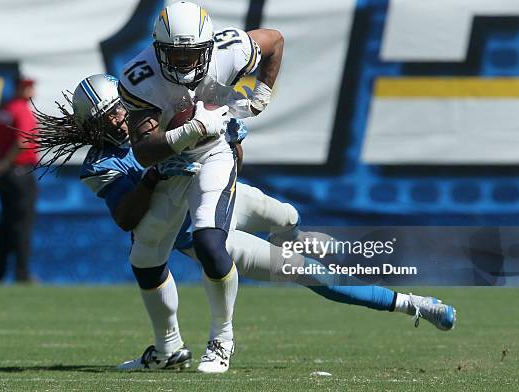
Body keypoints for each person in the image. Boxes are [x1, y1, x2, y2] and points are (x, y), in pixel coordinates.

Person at [27, 73, 457, 372]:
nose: (121, 120)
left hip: (223, 200)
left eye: (120, 110)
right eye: (109, 117)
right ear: (94, 126)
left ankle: (295, 237)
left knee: (288, 214)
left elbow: (230, 160)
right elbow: (127, 217)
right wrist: (157, 173)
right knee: (316, 279)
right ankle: (415, 304)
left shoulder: (161, 111)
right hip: (197, 235)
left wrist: (225, 141)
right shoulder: (101, 164)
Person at [117, 1, 285, 373]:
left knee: (210, 241)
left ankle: (221, 340)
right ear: (158, 49)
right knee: (144, 259)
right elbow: (144, 153)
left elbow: (274, 41)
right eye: (174, 54)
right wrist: (190, 129)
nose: (182, 63)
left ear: (208, 47)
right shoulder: (139, 77)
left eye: (191, 53)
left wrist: (262, 94)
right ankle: (167, 350)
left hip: (215, 154)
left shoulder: (230, 50)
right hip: (170, 165)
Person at [0, 76, 39, 283]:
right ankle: (22, 273)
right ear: (19, 89)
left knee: (6, 223)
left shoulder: (5, 110)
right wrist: (4, 164)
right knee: (22, 224)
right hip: (19, 171)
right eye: (28, 87)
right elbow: (23, 141)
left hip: (4, 174)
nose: (32, 91)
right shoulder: (20, 109)